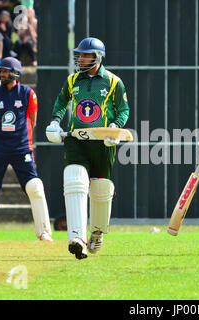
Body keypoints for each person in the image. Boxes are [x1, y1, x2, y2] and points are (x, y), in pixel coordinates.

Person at [45, 37, 130, 259]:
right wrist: (55, 121)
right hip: (76, 140)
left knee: (100, 189)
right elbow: (61, 102)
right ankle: (76, 238)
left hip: (102, 142)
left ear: (98, 57)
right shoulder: (73, 80)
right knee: (74, 178)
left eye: (86, 55)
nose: (81, 59)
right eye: (80, 55)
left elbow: (123, 110)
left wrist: (115, 128)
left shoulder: (113, 82)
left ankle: (97, 232)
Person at [0, 57, 53, 242]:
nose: (2, 74)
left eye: (6, 71)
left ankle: (44, 232)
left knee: (35, 187)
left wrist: (24, 141)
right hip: (0, 147)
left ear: (15, 73)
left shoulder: (27, 93)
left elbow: (33, 120)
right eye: (1, 71)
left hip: (21, 147)